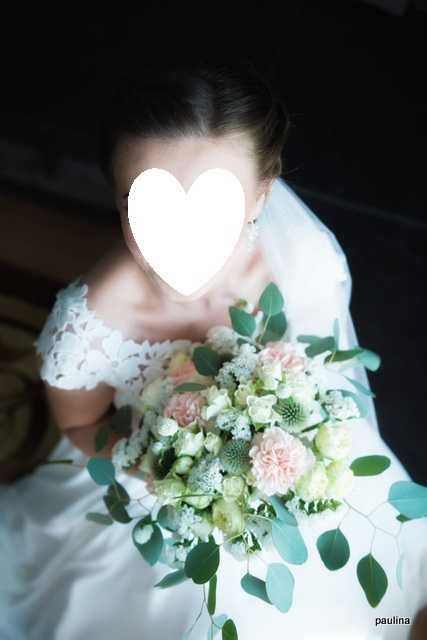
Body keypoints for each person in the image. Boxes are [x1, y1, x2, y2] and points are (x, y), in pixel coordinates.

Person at [1, 60, 426, 640]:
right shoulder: (90, 324)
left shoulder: (303, 263)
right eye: (144, 208)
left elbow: (324, 368)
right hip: (157, 491)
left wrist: (294, 442)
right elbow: (81, 426)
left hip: (291, 465)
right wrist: (164, 467)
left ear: (262, 192)